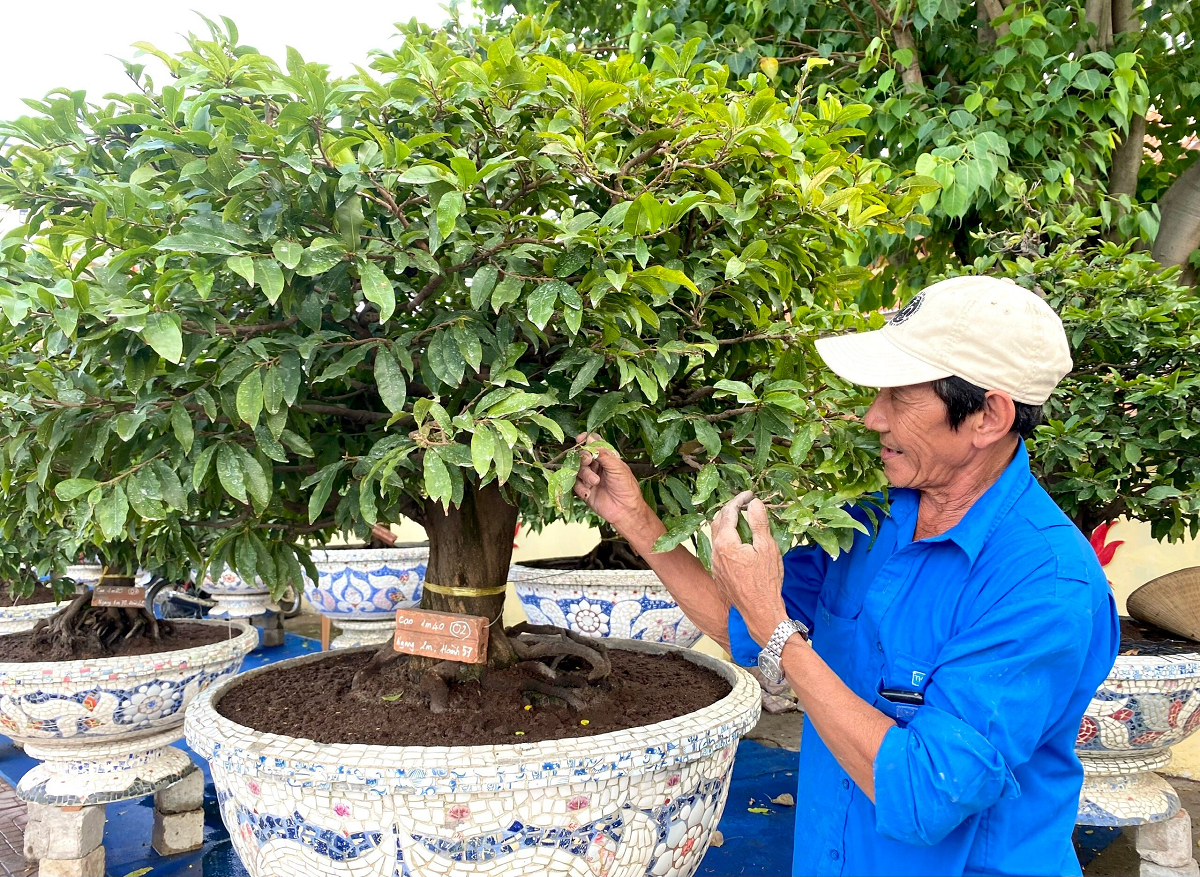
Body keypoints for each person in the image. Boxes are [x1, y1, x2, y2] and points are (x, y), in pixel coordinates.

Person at [571, 275, 1119, 877]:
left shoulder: (1046, 584)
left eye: (900, 398)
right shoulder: (872, 519)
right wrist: (636, 519)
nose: (872, 417)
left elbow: (924, 795)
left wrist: (773, 625)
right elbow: (748, 635)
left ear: (989, 415)